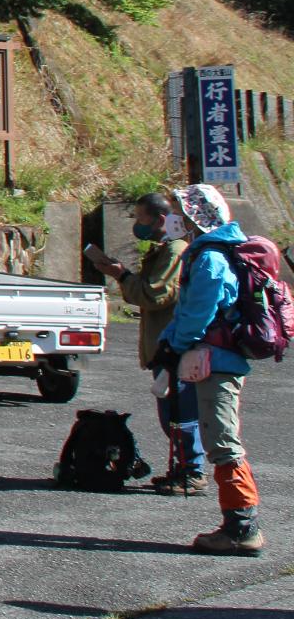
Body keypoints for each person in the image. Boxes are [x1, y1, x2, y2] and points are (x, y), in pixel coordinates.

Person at [160, 183, 264, 556]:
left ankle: (241, 526)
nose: (178, 220)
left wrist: (175, 342)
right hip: (217, 358)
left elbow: (199, 311)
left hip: (216, 360)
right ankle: (238, 522)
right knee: (219, 436)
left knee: (221, 439)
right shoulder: (216, 251)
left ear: (197, 217)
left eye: (183, 213)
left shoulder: (209, 258)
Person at [88, 193, 205, 494]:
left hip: (174, 346)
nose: (137, 225)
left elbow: (155, 295)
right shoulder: (167, 249)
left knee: (179, 414)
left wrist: (123, 275)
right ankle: (182, 468)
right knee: (173, 413)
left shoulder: (174, 251)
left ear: (160, 219)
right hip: (167, 345)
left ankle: (192, 471)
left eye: (141, 218)